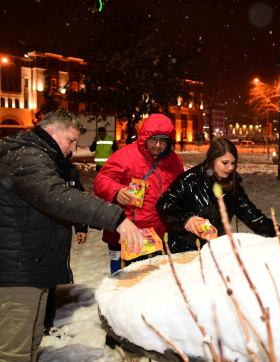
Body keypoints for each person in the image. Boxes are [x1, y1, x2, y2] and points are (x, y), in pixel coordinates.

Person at [0, 109, 143, 362]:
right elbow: (56, 196)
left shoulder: (45, 158)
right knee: (13, 351)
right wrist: (115, 218)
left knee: (30, 343)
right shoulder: (27, 157)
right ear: (51, 131)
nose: (73, 148)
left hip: (32, 268)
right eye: (71, 140)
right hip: (17, 272)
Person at [94, 114, 184, 274]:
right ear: (144, 138)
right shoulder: (125, 156)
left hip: (157, 236)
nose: (158, 145)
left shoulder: (174, 161)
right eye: (153, 140)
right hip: (126, 234)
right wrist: (116, 191)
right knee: (123, 282)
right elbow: (101, 180)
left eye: (163, 141)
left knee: (151, 282)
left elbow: (180, 190)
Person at [157, 138, 278, 253]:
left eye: (233, 163)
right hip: (183, 249)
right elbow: (165, 203)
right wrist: (187, 219)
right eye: (225, 163)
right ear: (212, 159)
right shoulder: (191, 179)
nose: (230, 168)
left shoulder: (232, 186)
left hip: (214, 249)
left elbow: (252, 216)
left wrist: (279, 234)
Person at [43, 152, 88, 335]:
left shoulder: (69, 170)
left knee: (53, 276)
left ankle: (47, 321)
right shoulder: (38, 168)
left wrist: (81, 227)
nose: (72, 149)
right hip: (36, 234)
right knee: (38, 279)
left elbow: (77, 199)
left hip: (61, 232)